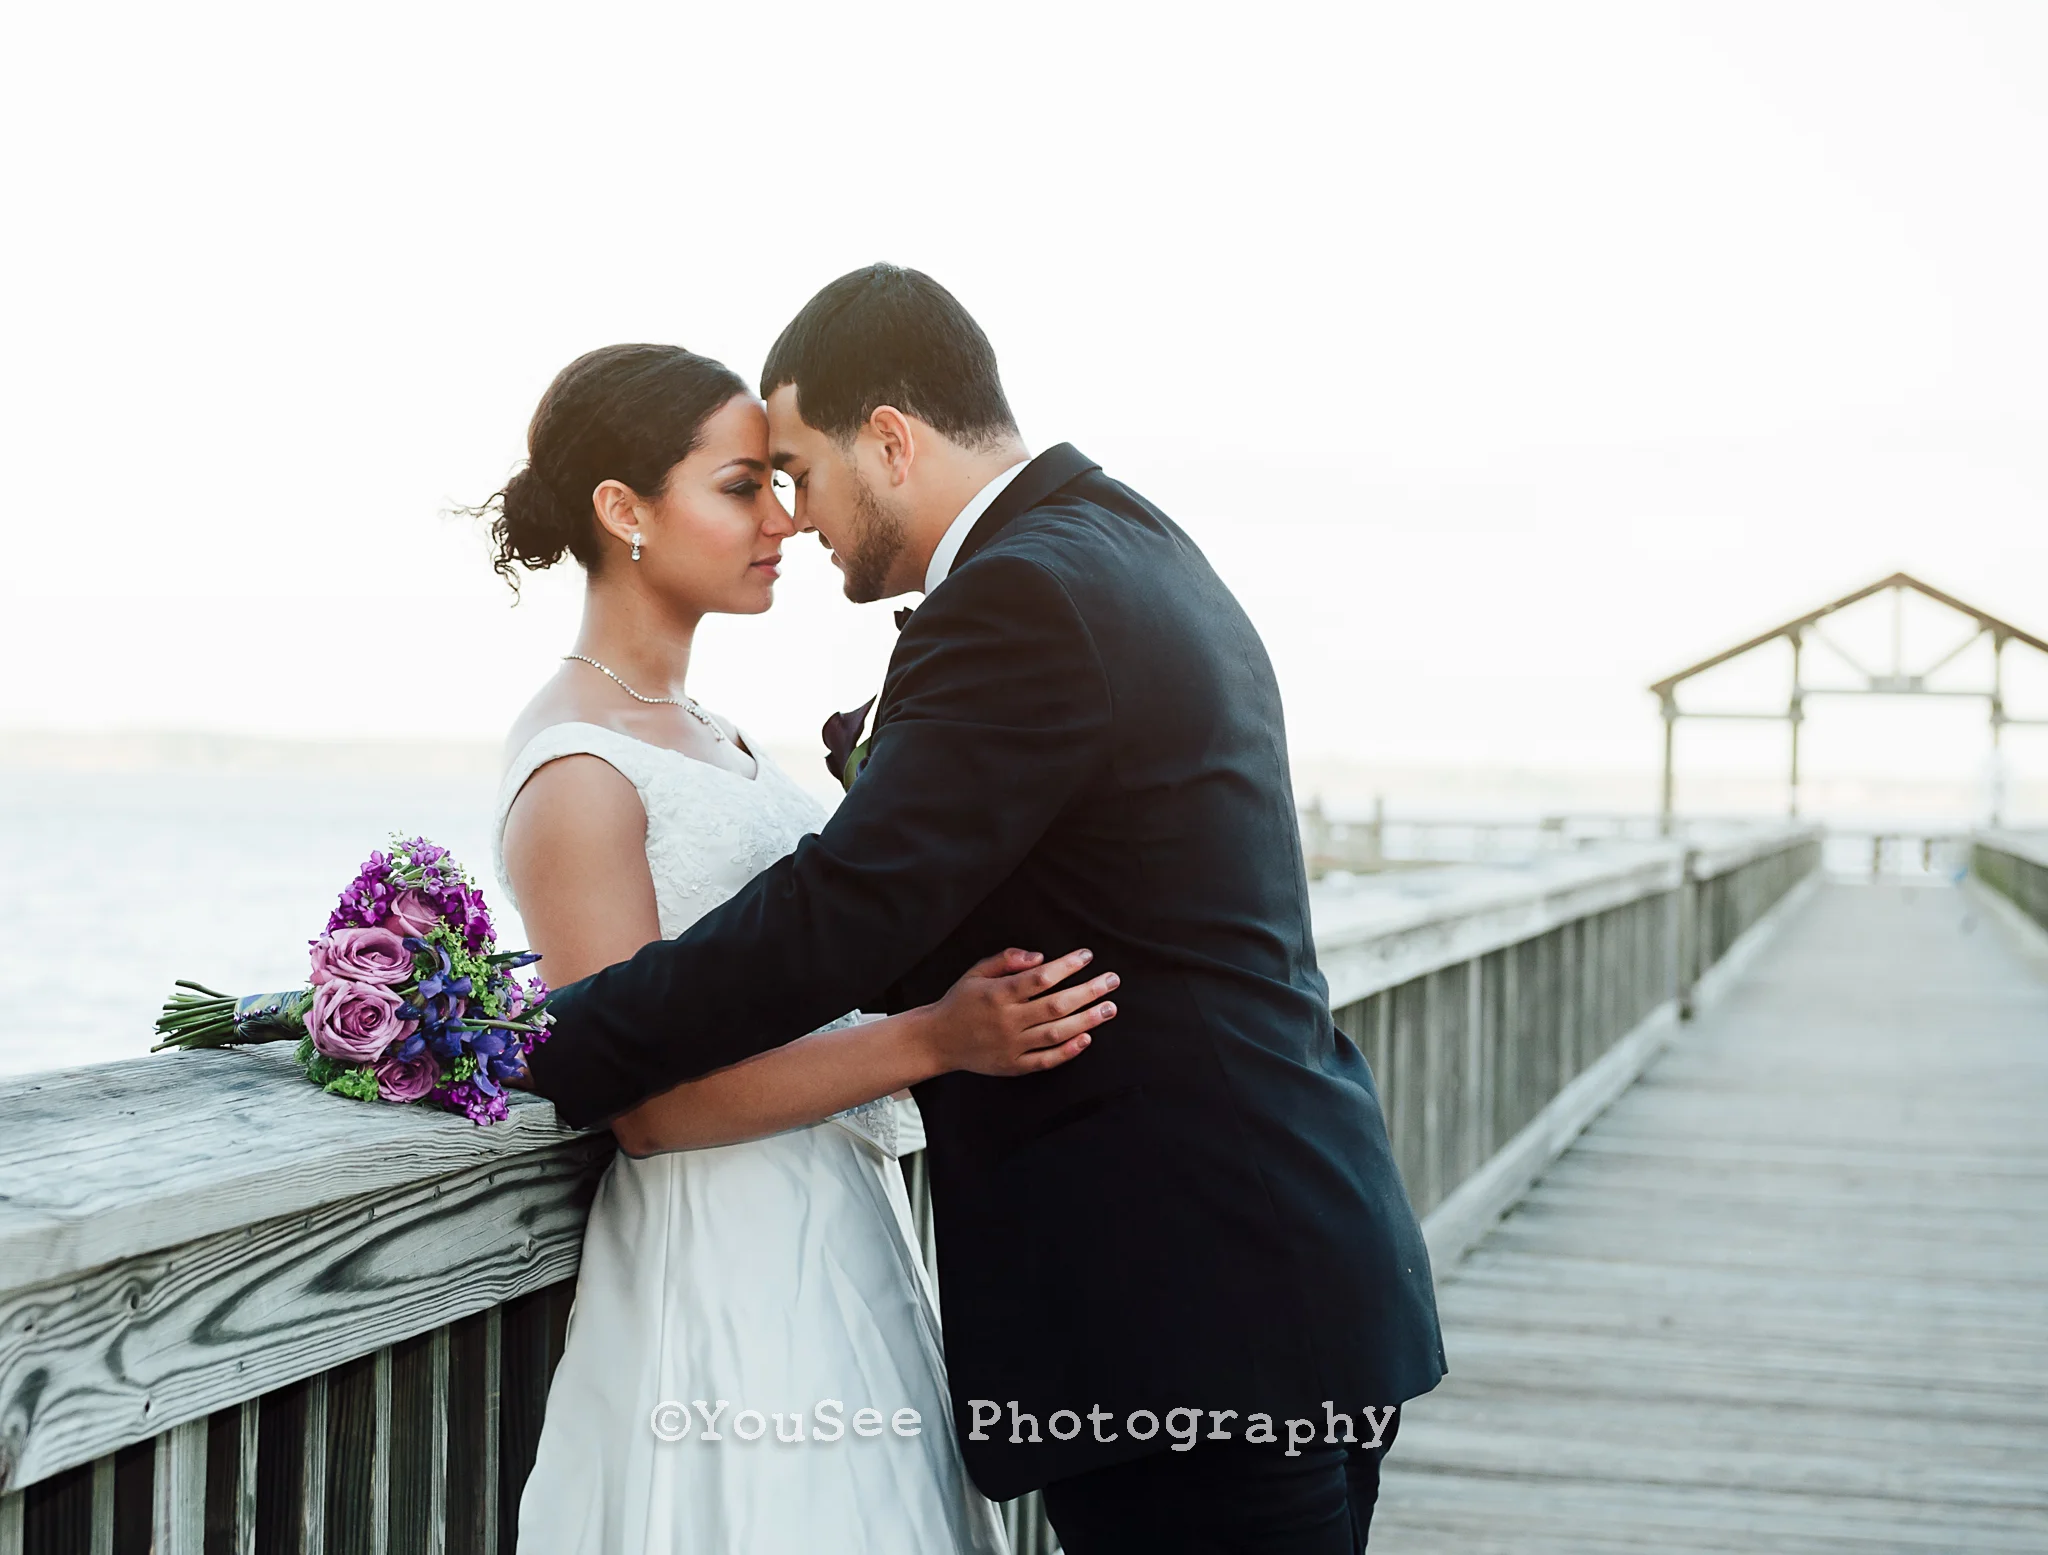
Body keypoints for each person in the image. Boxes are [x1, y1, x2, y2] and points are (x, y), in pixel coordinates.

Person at [527, 267, 1447, 1553]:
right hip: (1265, 1280)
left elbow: (849, 907)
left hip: (1186, 1312)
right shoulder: (1125, 541)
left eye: (799, 471)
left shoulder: (1025, 593)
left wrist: (552, 1044)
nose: (798, 515)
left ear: (888, 440)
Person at [484, 342, 1120, 1552]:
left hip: (835, 1227)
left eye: (781, 484)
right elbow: (646, 1108)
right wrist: (934, 1039)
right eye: (741, 488)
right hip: (723, 1257)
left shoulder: (704, 730)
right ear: (623, 509)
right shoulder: (576, 767)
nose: (783, 519)